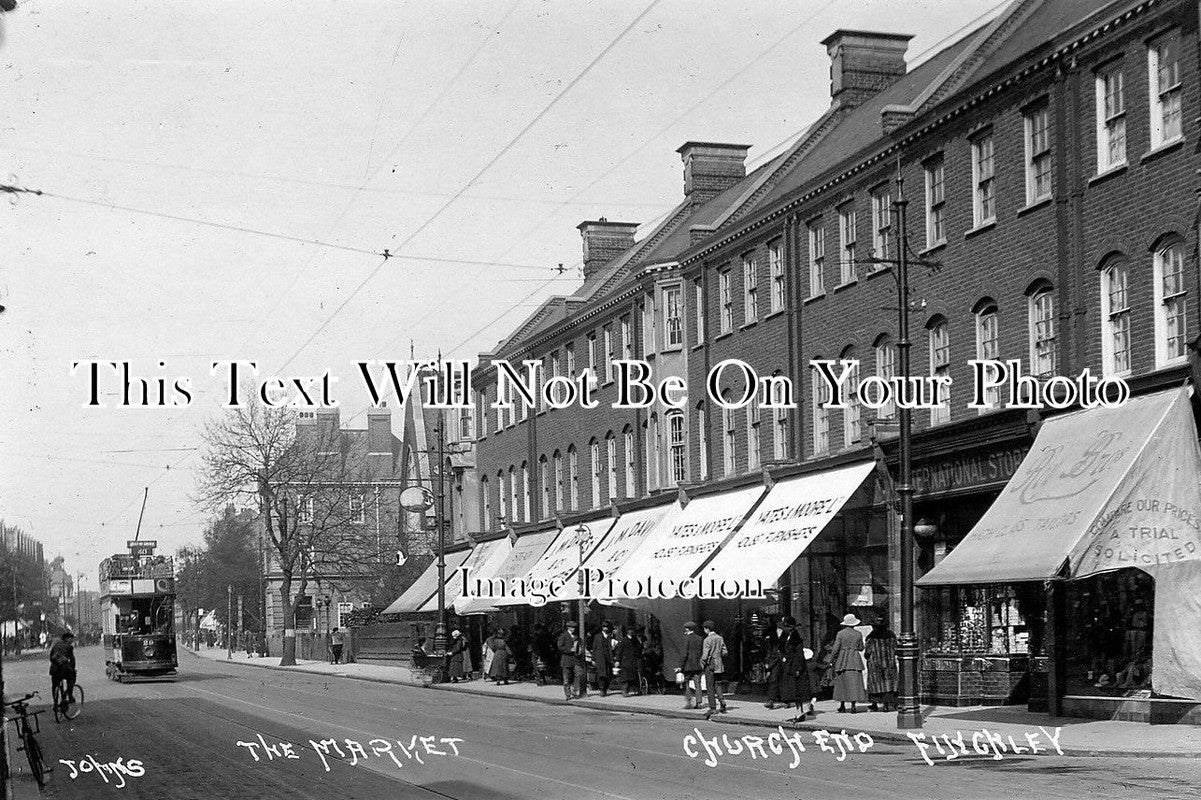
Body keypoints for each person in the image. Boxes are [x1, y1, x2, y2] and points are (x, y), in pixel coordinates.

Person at [831, 613, 868, 713]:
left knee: (841, 682)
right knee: (855, 682)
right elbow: (861, 648)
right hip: (855, 659)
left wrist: (831, 659)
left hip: (843, 659)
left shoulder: (840, 634)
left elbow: (835, 648)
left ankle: (842, 704)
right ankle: (853, 705)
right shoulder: (858, 634)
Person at [777, 617, 812, 721]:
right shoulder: (786, 636)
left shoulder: (796, 637)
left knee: (798, 691)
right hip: (789, 665)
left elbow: (799, 654)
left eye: (787, 626)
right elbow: (782, 648)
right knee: (793, 691)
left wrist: (798, 668)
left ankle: (801, 713)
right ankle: (799, 713)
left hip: (795, 666)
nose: (785, 628)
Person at [864, 619, 898, 712]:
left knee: (876, 684)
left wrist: (868, 657)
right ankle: (887, 704)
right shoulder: (891, 635)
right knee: (888, 684)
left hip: (876, 664)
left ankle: (875, 703)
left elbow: (867, 652)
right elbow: (896, 648)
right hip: (889, 663)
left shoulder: (871, 637)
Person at [700, 620, 728, 718]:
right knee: (718, 684)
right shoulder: (720, 638)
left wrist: (703, 663)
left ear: (707, 629)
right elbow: (725, 652)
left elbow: (705, 654)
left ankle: (712, 707)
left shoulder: (707, 640)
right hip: (719, 664)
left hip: (710, 664)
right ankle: (722, 701)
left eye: (704, 628)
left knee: (710, 686)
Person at [677, 621, 705, 710]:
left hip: (688, 666)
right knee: (698, 684)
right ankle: (699, 702)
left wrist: (680, 666)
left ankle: (689, 702)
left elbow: (684, 654)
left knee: (687, 684)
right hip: (697, 665)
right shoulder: (700, 638)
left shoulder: (686, 639)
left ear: (687, 629)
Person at [557, 620, 586, 699]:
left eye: (574, 627)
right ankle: (567, 694)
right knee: (566, 678)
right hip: (566, 660)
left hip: (575, 660)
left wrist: (580, 650)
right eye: (572, 627)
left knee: (578, 675)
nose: (573, 629)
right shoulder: (564, 635)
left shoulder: (576, 636)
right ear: (568, 628)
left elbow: (580, 645)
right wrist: (570, 650)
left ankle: (574, 691)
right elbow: (560, 646)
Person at [49, 631, 77, 712]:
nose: (72, 641)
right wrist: (73, 668)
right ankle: (70, 696)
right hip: (65, 669)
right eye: (71, 639)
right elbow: (72, 660)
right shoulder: (69, 647)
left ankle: (55, 703)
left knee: (55, 685)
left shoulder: (55, 645)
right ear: (67, 639)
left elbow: (51, 658)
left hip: (54, 669)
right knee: (71, 679)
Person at [613, 627, 643, 696]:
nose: (632, 632)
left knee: (634, 676)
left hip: (633, 660)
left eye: (633, 630)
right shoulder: (623, 640)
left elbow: (639, 649)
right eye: (630, 630)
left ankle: (636, 690)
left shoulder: (635, 640)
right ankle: (625, 691)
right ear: (628, 631)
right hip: (625, 661)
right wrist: (617, 660)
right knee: (626, 677)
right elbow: (619, 651)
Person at [591, 622, 614, 697]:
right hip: (600, 658)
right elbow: (594, 648)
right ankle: (601, 689)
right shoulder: (597, 636)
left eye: (607, 627)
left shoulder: (611, 636)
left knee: (608, 674)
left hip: (609, 658)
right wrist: (593, 659)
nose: (605, 628)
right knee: (601, 674)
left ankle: (605, 689)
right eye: (604, 627)